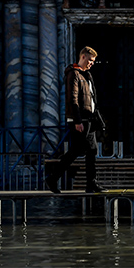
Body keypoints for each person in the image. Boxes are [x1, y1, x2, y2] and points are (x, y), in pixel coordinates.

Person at [45, 46, 108, 194]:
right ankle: (53, 178)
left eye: (94, 61)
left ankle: (91, 184)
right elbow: (72, 99)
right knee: (76, 151)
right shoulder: (73, 74)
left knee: (91, 150)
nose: (92, 63)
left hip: (89, 119)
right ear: (83, 57)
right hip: (80, 121)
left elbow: (92, 99)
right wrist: (78, 121)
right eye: (91, 60)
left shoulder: (86, 76)